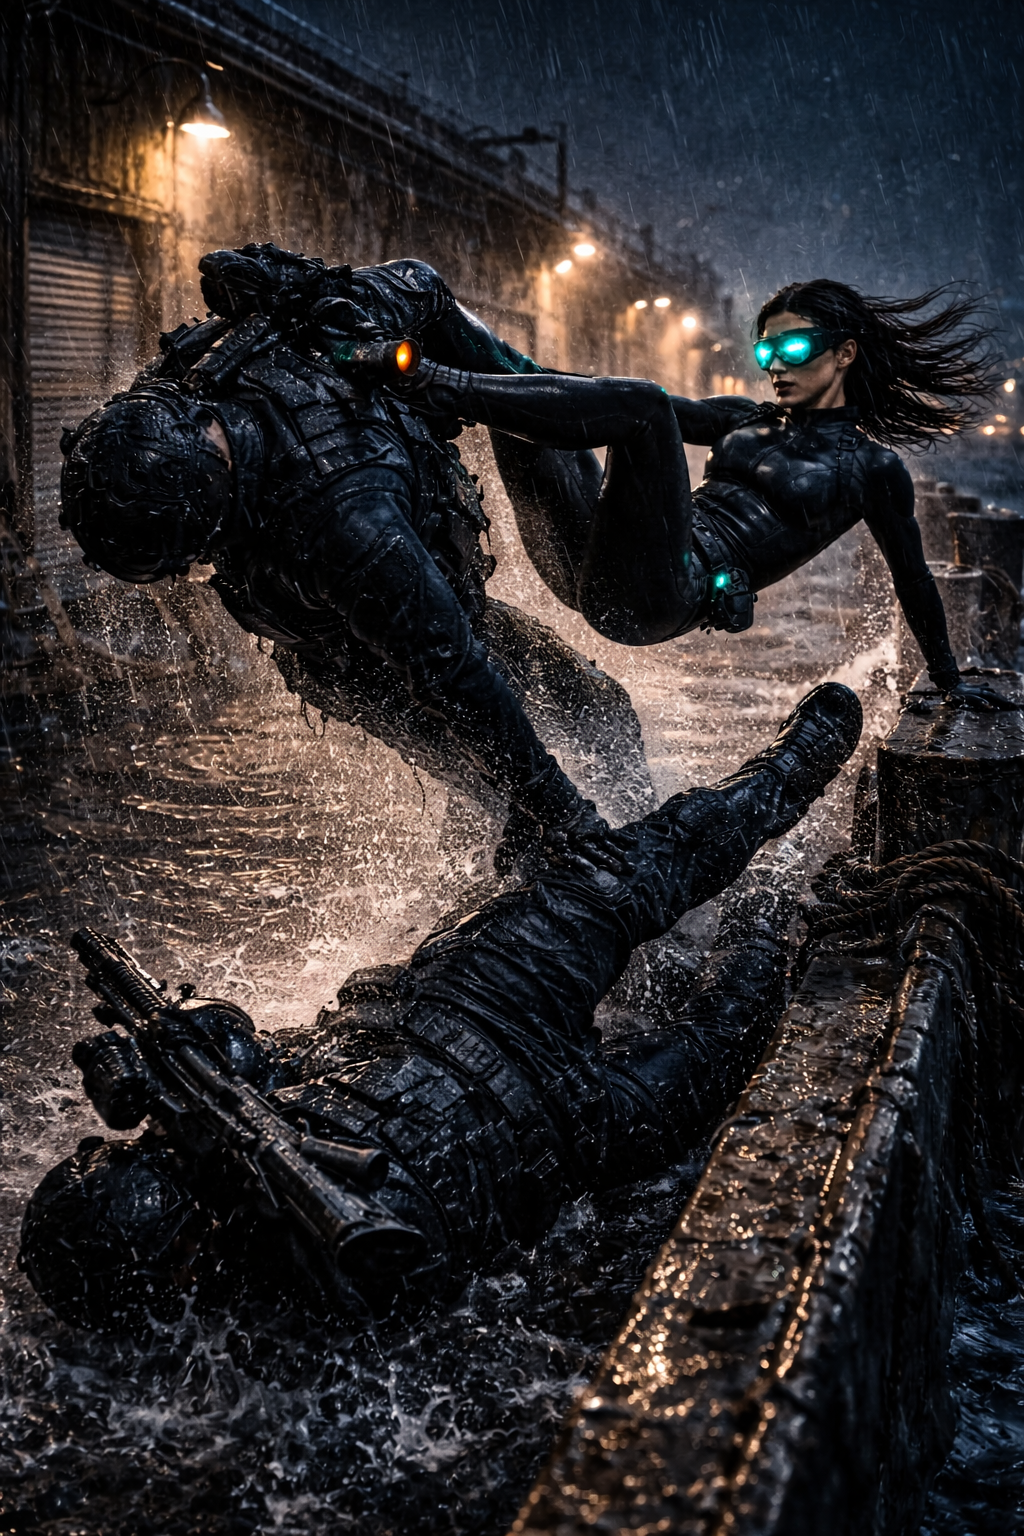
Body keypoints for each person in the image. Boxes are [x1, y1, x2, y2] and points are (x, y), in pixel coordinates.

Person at [19, 681, 863, 1330]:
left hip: (465, 1005)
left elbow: (249, 1040)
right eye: (111, 1157)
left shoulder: (228, 1150)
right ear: (170, 1252)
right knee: (736, 1015)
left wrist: (181, 1038)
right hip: (564, 1123)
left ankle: (788, 774)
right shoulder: (327, 1265)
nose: (112, 1140)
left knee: (636, 870)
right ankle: (784, 899)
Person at [57, 245, 653, 873]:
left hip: (375, 608)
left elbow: (423, 285)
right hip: (348, 660)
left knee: (593, 715)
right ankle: (559, 875)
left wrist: (309, 287)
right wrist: (565, 816)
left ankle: (622, 847)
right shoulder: (340, 525)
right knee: (514, 789)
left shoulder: (187, 392)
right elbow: (454, 676)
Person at [398, 278, 1016, 713]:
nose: (776, 364)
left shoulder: (872, 470)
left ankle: (436, 387)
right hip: (590, 560)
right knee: (519, 370)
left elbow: (912, 579)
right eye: (767, 350)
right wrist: (541, 381)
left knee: (644, 405)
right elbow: (614, 404)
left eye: (794, 348)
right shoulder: (745, 417)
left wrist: (948, 678)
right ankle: (409, 320)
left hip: (663, 594)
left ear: (845, 353)